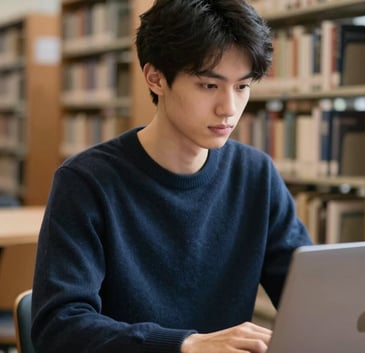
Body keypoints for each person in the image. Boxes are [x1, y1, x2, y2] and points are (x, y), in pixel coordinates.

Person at [31, 1, 312, 353]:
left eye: (242, 87)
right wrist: (185, 344)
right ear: (156, 78)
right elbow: (58, 327)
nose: (229, 108)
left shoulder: (256, 175)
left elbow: (310, 298)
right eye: (209, 86)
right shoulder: (86, 182)